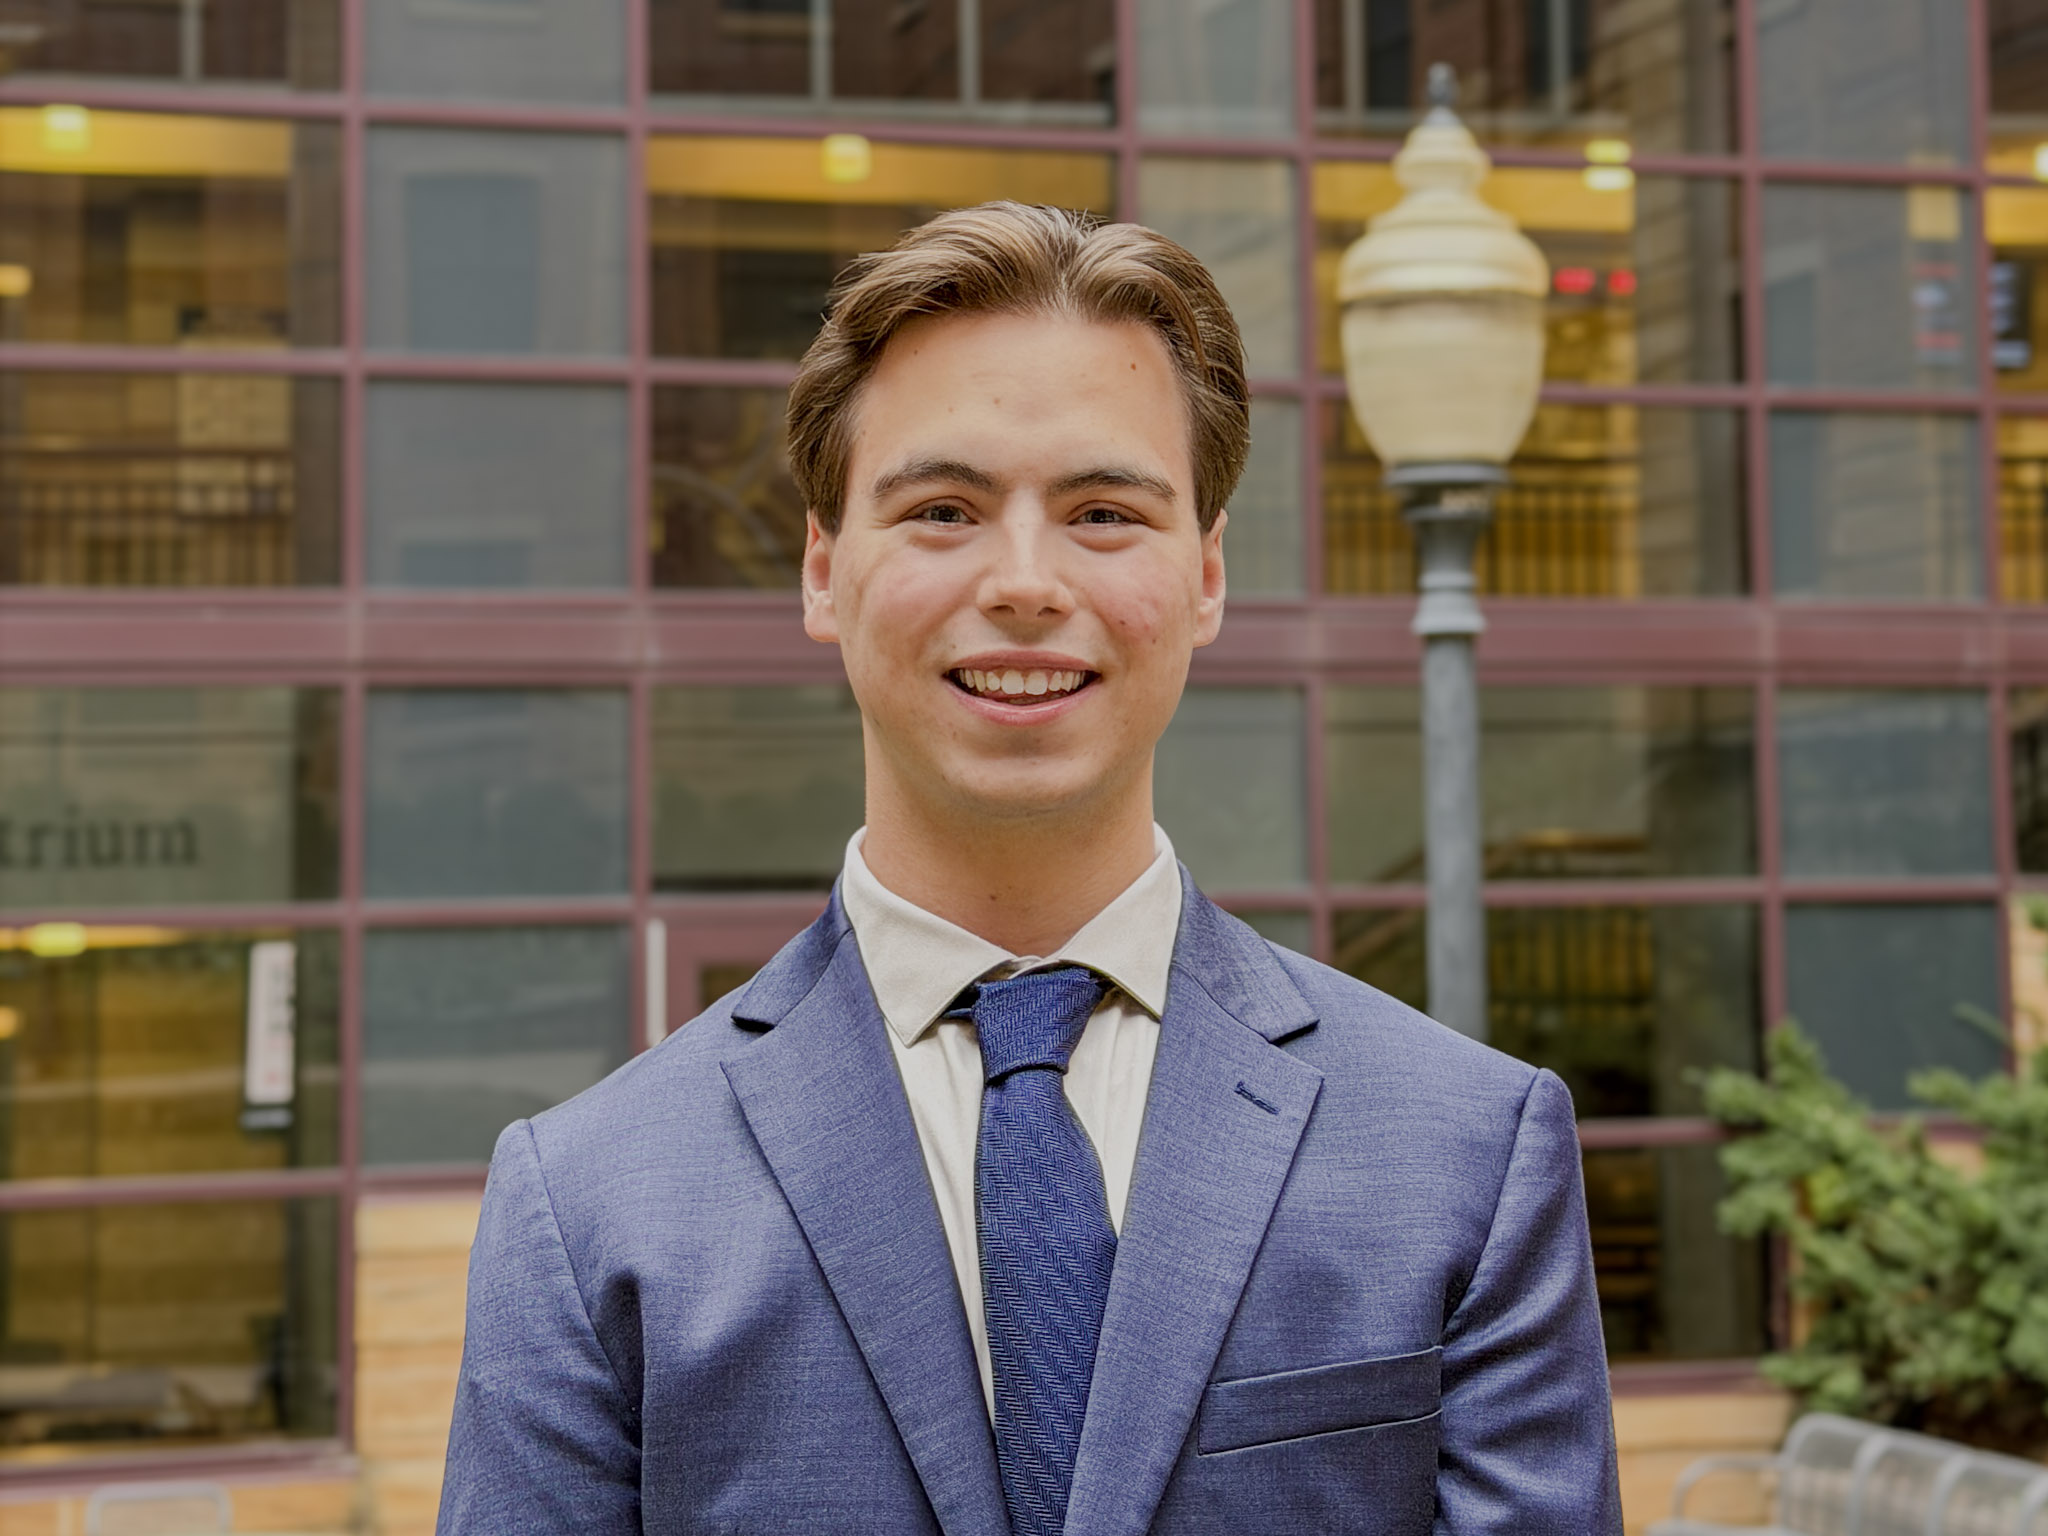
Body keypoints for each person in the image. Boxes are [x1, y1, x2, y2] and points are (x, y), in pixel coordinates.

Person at [437, 201, 1622, 1536]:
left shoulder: (1470, 1153)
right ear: (825, 570)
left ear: (1208, 577)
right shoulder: (586, 1201)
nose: (1023, 581)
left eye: (1104, 512)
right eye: (943, 508)